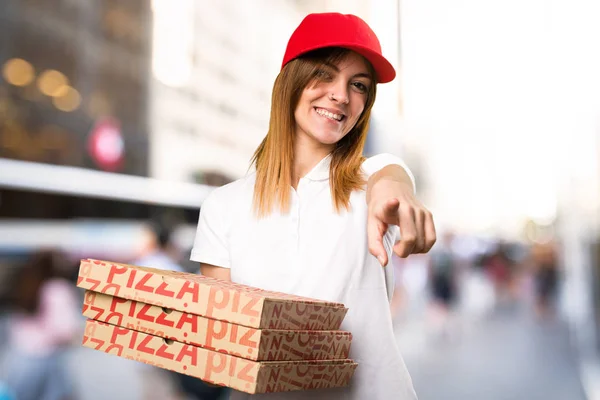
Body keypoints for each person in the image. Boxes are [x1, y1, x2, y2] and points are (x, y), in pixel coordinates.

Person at [191, 13, 436, 400]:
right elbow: (219, 355)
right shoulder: (223, 206)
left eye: (358, 85)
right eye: (325, 74)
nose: (341, 95)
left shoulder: (370, 182)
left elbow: (391, 177)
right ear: (292, 79)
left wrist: (396, 193)